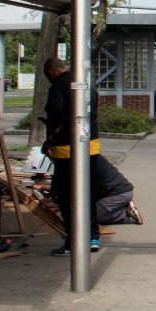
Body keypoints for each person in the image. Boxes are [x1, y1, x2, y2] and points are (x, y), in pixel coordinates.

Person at [43, 56, 102, 255]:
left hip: (66, 149)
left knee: (67, 196)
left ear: (51, 73)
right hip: (90, 145)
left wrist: (50, 139)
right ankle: (92, 236)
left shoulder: (59, 86)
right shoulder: (85, 82)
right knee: (88, 192)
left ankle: (73, 242)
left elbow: (56, 114)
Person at [93, 154, 143, 225]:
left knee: (89, 218)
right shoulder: (92, 156)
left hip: (116, 193)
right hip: (122, 191)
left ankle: (123, 213)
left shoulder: (84, 161)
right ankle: (123, 206)